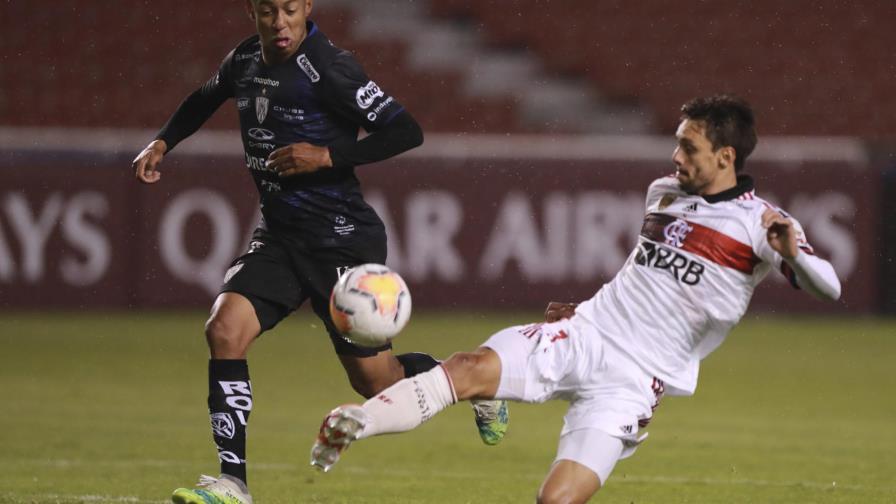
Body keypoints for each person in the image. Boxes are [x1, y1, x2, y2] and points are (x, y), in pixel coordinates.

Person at [309, 95, 842, 503]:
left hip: (635, 381)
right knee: (467, 367)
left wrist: (792, 255)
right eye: (677, 143)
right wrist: (586, 308)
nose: (675, 155)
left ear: (726, 156)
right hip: (585, 333)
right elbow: (647, 273)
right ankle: (359, 422)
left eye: (689, 148)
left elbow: (829, 286)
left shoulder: (763, 226)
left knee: (557, 498)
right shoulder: (665, 193)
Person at [131, 1, 507, 503]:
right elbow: (206, 96)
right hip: (280, 237)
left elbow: (405, 130)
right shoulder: (244, 61)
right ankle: (233, 482)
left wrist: (329, 155)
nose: (280, 22)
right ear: (253, 12)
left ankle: (473, 379)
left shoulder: (330, 67)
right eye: (269, 11)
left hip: (341, 239)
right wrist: (163, 141)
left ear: (307, 7)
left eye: (290, 9)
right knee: (224, 329)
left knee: (377, 384)